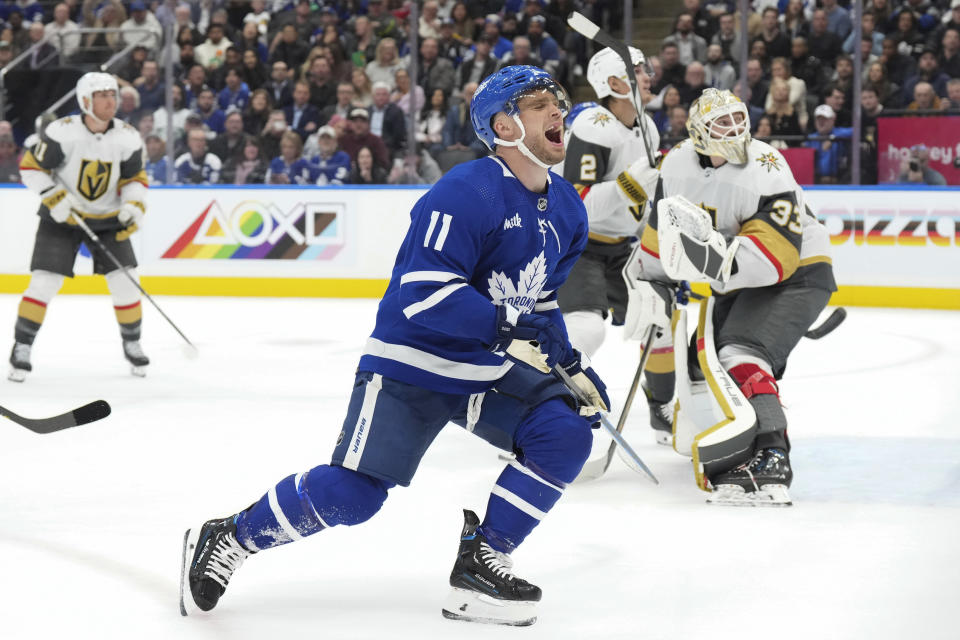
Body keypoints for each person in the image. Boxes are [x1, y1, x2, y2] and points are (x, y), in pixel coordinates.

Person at [180, 65, 606, 627]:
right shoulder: (465, 190)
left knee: (564, 431)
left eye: (558, 100)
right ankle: (229, 537)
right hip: (415, 361)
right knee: (354, 496)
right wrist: (510, 323)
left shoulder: (568, 209)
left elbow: (541, 302)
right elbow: (424, 295)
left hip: (486, 365)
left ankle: (483, 561)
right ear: (504, 126)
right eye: (537, 104)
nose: (557, 110)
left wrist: (568, 364)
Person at [627, 87, 836, 504]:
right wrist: (647, 283)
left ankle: (773, 455)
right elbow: (657, 237)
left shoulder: (768, 167)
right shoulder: (677, 165)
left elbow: (774, 261)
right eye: (722, 123)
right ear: (698, 131)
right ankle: (731, 446)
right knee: (703, 359)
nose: (735, 130)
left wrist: (697, 262)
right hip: (736, 279)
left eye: (739, 120)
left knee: (741, 352)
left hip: (797, 272)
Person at [552, 47, 661, 458]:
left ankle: (665, 407)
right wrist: (631, 186)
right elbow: (577, 204)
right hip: (577, 245)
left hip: (625, 249)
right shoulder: (593, 126)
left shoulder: (647, 127)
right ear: (614, 84)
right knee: (586, 328)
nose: (648, 75)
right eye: (638, 70)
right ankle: (549, 411)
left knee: (659, 322)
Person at [11, 72, 150, 381]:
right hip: (61, 219)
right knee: (44, 282)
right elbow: (31, 168)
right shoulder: (62, 133)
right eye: (102, 95)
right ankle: (21, 346)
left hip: (108, 220)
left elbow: (135, 179)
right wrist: (54, 197)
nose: (110, 101)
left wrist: (132, 206)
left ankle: (133, 343)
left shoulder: (127, 137)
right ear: (86, 101)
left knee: (126, 280)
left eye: (112, 95)